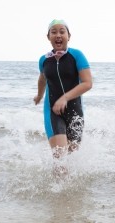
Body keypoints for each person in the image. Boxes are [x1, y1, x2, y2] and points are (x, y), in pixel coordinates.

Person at [34, 19, 92, 174]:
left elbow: (87, 83)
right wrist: (39, 95)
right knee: (60, 159)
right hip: (53, 111)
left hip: (75, 111)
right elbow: (42, 79)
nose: (58, 35)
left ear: (69, 36)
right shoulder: (44, 60)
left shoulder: (76, 55)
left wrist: (65, 98)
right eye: (54, 32)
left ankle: (69, 197)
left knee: (72, 159)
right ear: (48, 37)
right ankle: (57, 194)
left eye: (62, 31)